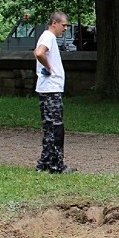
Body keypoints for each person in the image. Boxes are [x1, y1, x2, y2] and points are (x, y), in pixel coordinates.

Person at [34, 11, 72, 173]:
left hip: (45, 88)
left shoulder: (46, 36)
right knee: (56, 127)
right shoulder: (48, 36)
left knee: (48, 127)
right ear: (54, 23)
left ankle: (45, 162)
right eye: (64, 25)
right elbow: (39, 53)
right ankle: (57, 165)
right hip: (51, 89)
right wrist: (49, 68)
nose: (65, 28)